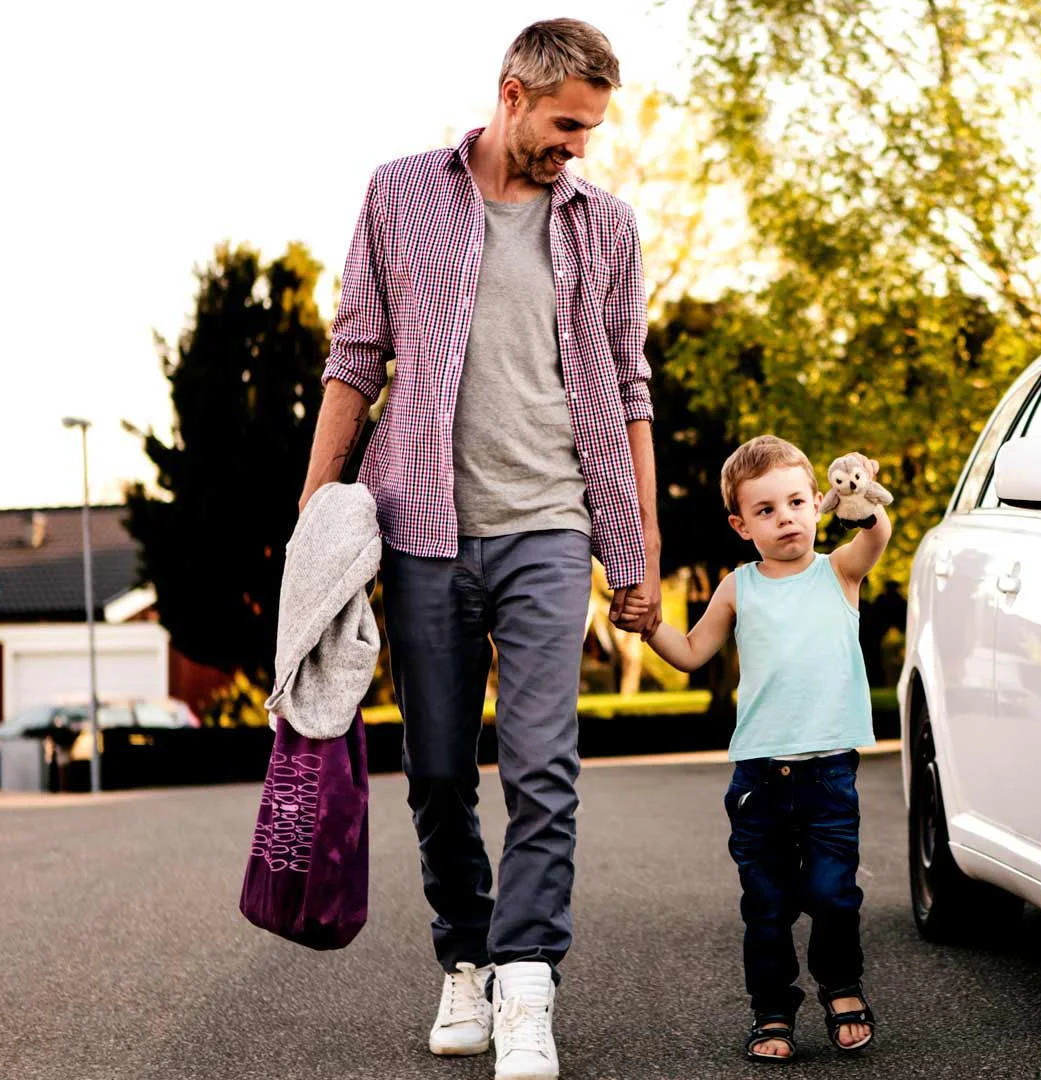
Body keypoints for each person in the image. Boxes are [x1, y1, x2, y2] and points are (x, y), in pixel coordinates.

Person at [294, 19, 660, 1080]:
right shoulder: (401, 192)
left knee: (544, 767)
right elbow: (355, 356)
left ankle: (529, 979)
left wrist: (638, 540)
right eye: (566, 125)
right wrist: (314, 514)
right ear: (512, 93)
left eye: (590, 131)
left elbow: (629, 385)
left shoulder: (606, 225)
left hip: (551, 523)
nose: (577, 147)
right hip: (422, 529)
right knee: (440, 774)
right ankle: (467, 959)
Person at [642, 435, 884, 1064]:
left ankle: (841, 985)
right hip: (759, 780)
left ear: (817, 503)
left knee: (834, 894)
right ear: (741, 525)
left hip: (828, 775)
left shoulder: (839, 571)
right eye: (767, 510)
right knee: (767, 906)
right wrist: (649, 625)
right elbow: (690, 653)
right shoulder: (738, 587)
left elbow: (875, 537)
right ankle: (772, 1008)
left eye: (797, 502)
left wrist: (862, 499)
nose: (786, 519)